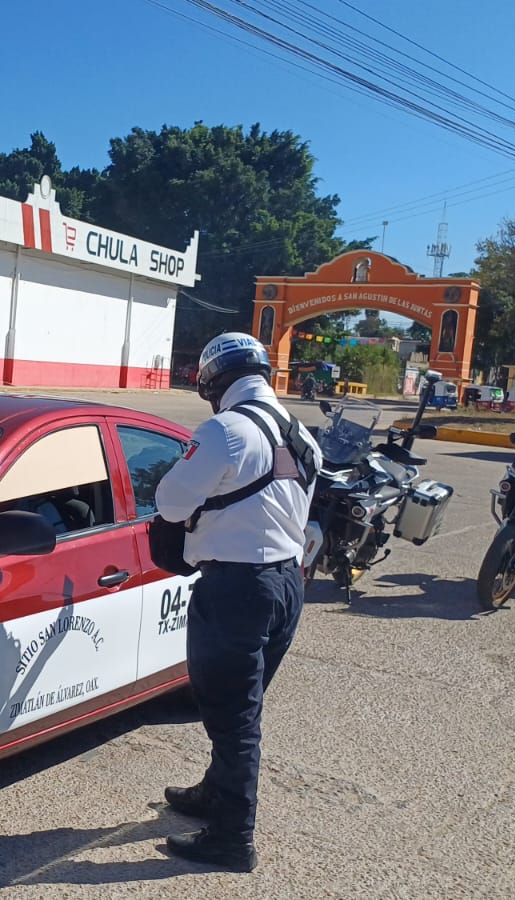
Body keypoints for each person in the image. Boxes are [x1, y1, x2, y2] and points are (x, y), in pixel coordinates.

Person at [153, 332, 322, 871]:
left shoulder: (224, 429)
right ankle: (215, 793)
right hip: (286, 585)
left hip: (234, 590)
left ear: (212, 379)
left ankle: (231, 837)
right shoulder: (301, 434)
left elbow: (169, 500)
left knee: (233, 717)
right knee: (241, 709)